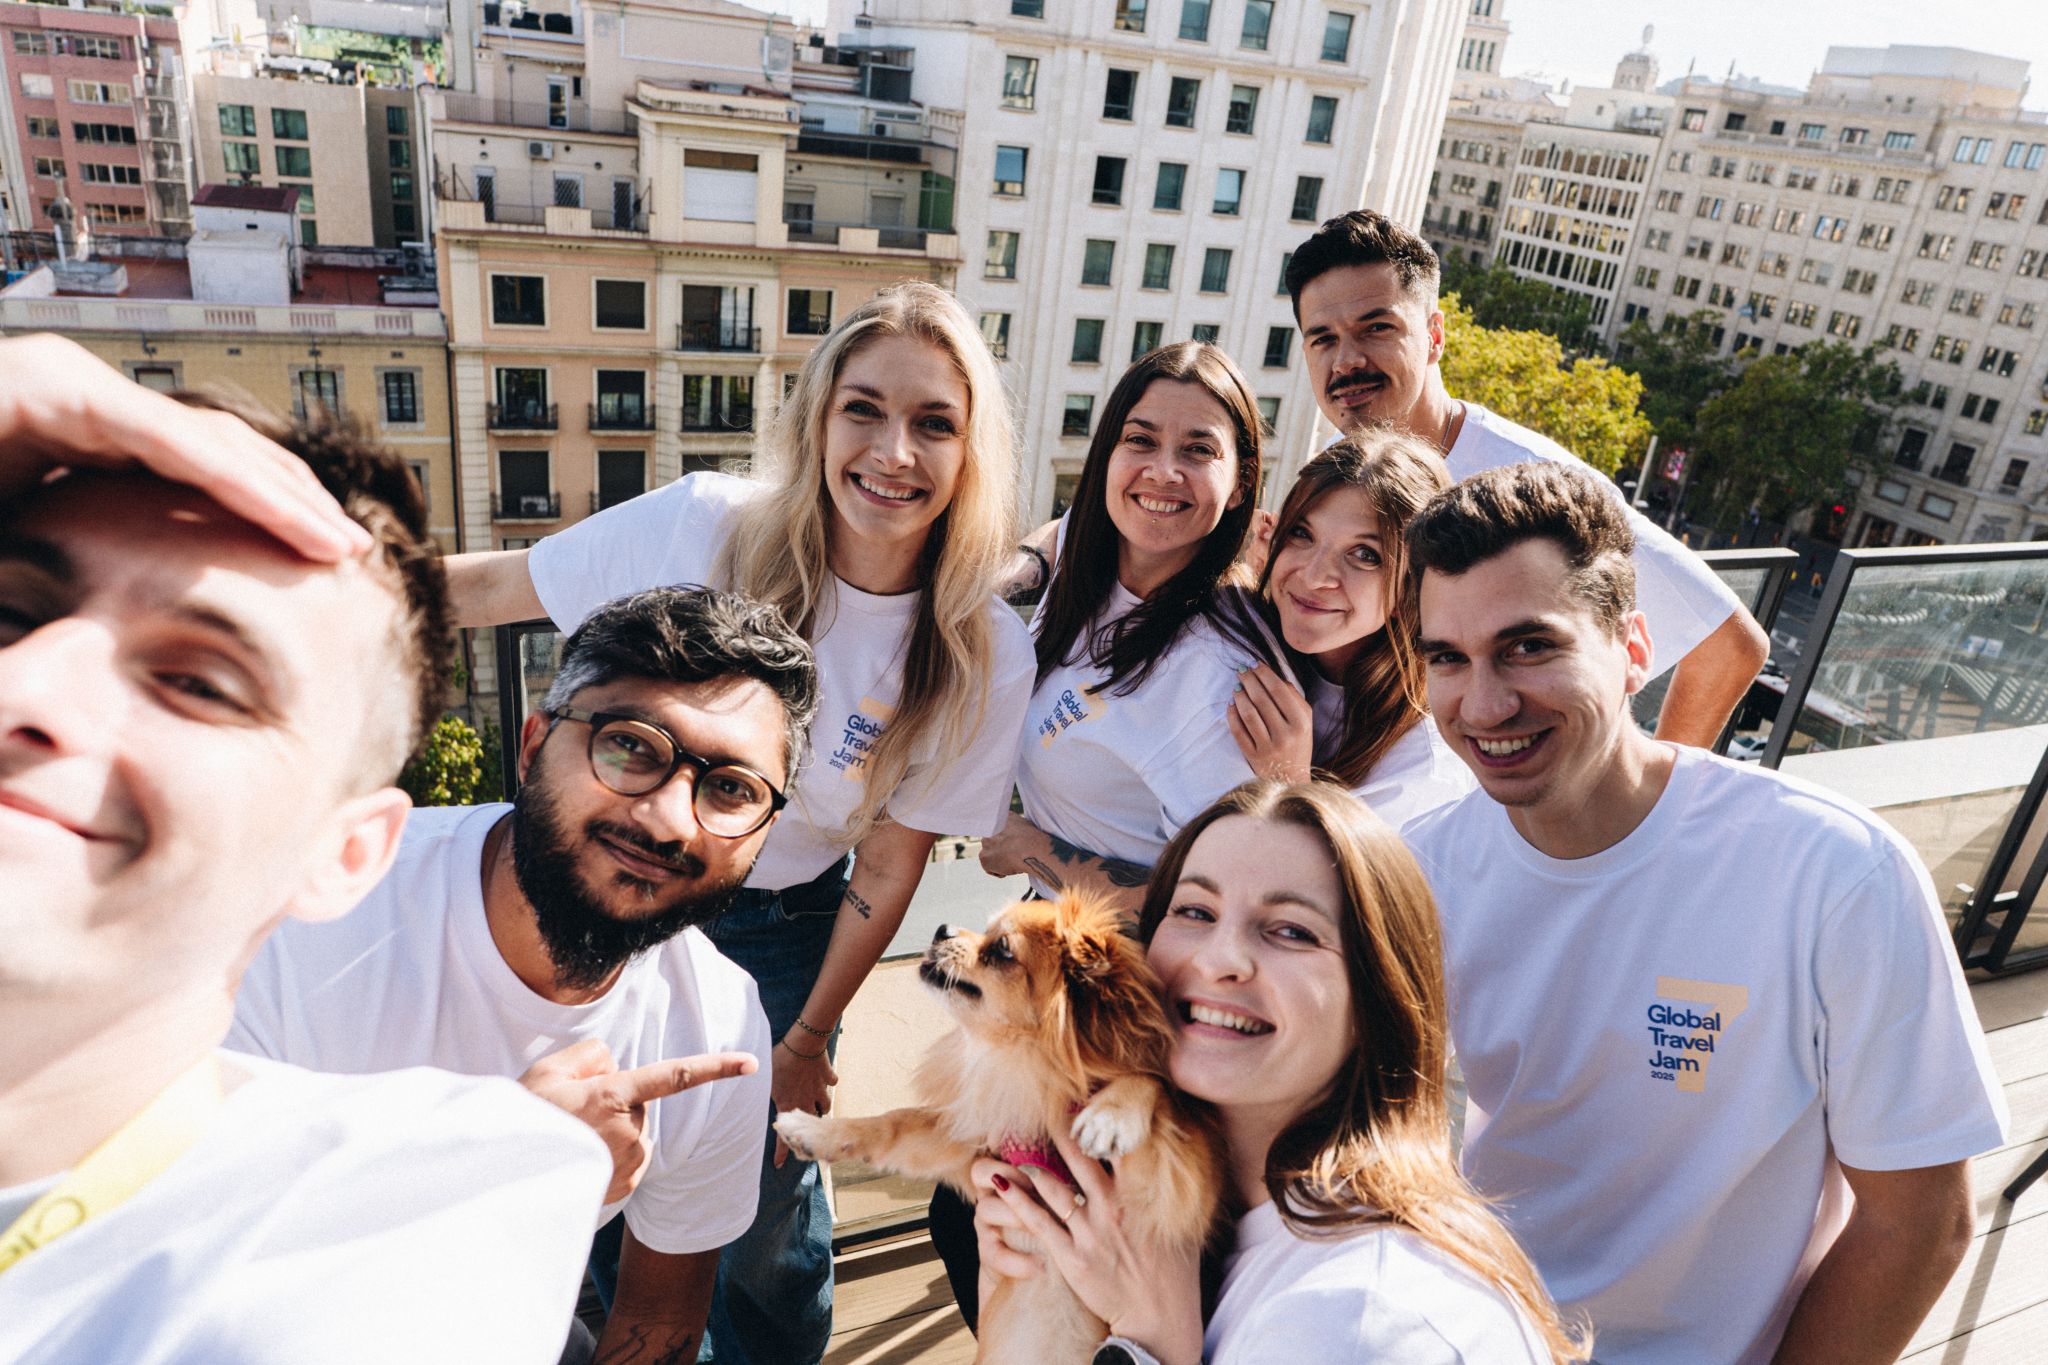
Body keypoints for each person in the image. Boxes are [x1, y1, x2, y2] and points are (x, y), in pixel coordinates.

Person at [445, 281, 1036, 1364]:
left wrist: (805, 1037)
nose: (892, 451)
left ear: (969, 451)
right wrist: (272, 587)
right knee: (584, 1159)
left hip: (778, 928)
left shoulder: (978, 647)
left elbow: (890, 857)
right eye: (862, 409)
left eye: (932, 423)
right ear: (816, 420)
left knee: (762, 1214)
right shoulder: (707, 525)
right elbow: (495, 589)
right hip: (607, 895)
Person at [0, 335, 612, 1363]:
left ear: (343, 855)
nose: (26, 685)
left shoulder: (382, 1242)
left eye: (199, 681)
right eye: (9, 615)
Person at [1403, 461, 2007, 1363]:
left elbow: (1921, 1220)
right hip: (1471, 1327)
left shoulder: (1834, 872)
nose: (1484, 703)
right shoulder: (1420, 868)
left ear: (1634, 647)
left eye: (1530, 646)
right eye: (1447, 657)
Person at [229, 587, 809, 1364]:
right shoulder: (304, 918)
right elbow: (168, 1267)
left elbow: (659, 1324)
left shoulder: (720, 1028)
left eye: (731, 789)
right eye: (631, 746)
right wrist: (505, 1169)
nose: (669, 819)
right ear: (534, 744)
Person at [972, 781, 1588, 1365]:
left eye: (1293, 931)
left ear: (1378, 997)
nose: (1221, 958)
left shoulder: (1363, 1317)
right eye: (1194, 911)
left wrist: (1149, 1344)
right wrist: (1012, 1292)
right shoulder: (1165, 1227)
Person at [1286, 210, 1769, 749]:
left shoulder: (1532, 480)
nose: (1347, 360)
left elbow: (1730, 643)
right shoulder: (1339, 463)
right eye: (1322, 339)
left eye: (1377, 328)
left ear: (1435, 335)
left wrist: (1658, 817)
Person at [978, 342, 1279, 907]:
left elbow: (1216, 902)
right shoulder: (1097, 554)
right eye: (1140, 440)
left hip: (1124, 970)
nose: (1163, 472)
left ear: (1241, 484)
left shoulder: (1220, 676)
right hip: (1053, 930)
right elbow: (1062, 532)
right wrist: (1005, 582)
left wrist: (1031, 850)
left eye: (1198, 450)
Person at [1223, 430, 1473, 829]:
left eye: (1364, 555)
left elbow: (1350, 890)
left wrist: (1286, 782)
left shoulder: (1422, 764)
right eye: (1302, 534)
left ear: (1413, 587)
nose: (1315, 575)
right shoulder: (1236, 634)